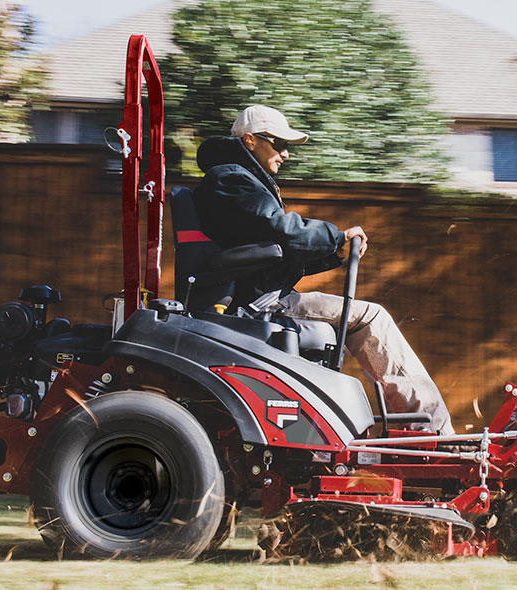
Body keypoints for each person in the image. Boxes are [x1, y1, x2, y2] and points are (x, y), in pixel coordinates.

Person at [190, 105, 454, 435]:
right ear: (250, 140)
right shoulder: (231, 179)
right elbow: (279, 229)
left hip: (264, 293)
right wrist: (337, 237)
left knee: (360, 322)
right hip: (262, 302)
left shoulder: (237, 179)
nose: (285, 153)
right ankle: (434, 434)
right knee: (372, 318)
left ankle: (404, 428)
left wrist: (335, 250)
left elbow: (276, 246)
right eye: (278, 143)